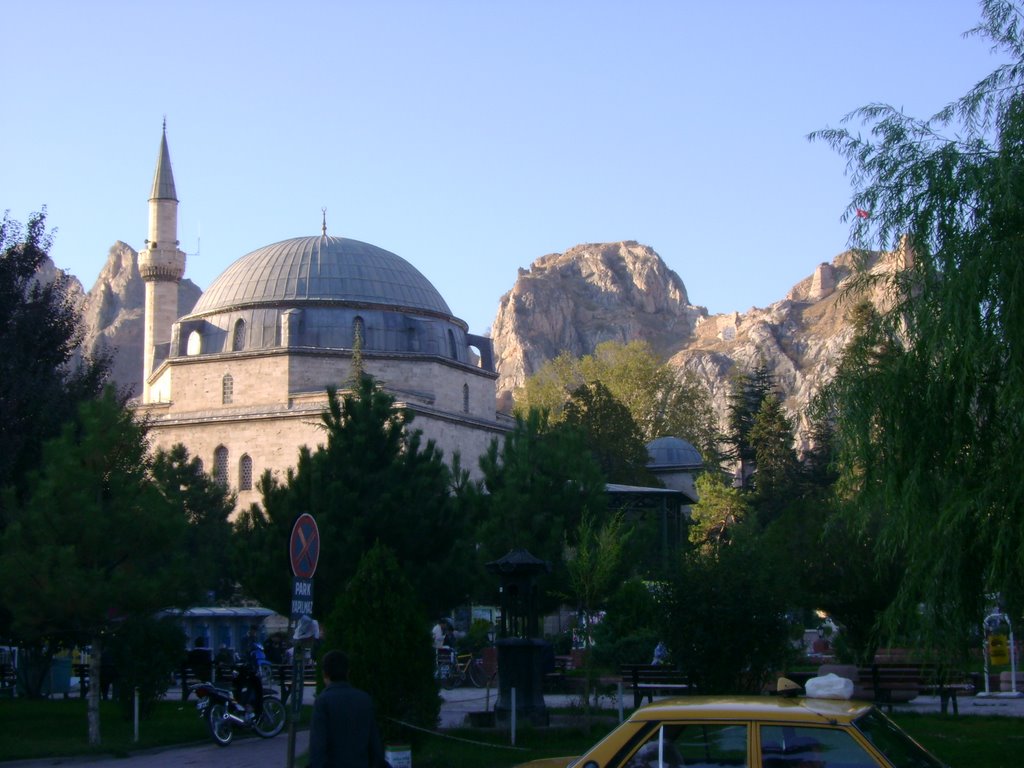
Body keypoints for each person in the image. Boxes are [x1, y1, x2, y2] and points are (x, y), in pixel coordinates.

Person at [309, 649, 385, 768]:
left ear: (324, 674)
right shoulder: (364, 699)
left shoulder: (323, 701)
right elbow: (374, 744)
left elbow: (318, 746)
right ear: (348, 672)